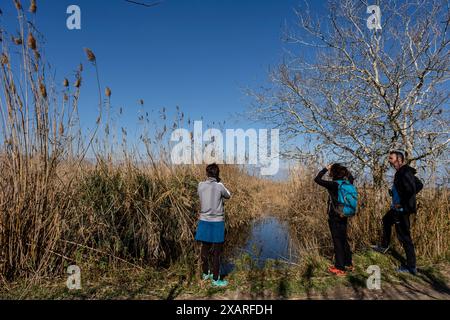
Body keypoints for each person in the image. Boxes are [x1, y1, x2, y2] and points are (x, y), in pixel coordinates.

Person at [372, 151, 423, 275]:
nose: (389, 160)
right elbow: (419, 185)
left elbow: (411, 189)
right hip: (397, 209)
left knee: (404, 237)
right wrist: (396, 193)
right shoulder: (403, 172)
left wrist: (403, 202)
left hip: (401, 210)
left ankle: (411, 267)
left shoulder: (404, 172)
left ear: (399, 159)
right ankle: (384, 246)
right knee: (386, 220)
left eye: (391, 158)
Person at [314, 163, 355, 276]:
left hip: (335, 216)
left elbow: (317, 179)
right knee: (343, 239)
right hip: (345, 215)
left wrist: (325, 169)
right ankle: (348, 264)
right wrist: (345, 169)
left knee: (337, 241)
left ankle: (340, 268)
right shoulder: (348, 183)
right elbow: (351, 177)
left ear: (333, 173)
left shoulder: (333, 184)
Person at [195, 163, 231, 287]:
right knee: (217, 252)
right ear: (217, 174)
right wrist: (220, 183)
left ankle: (205, 273)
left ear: (207, 173)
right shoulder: (220, 186)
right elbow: (228, 195)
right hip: (217, 223)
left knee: (204, 249)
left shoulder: (200, 185)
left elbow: (202, 195)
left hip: (204, 221)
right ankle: (216, 279)